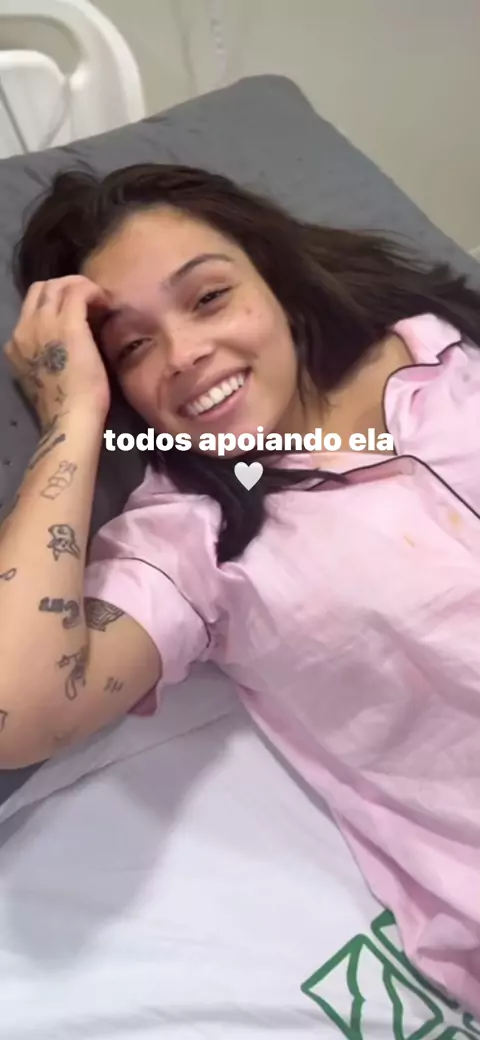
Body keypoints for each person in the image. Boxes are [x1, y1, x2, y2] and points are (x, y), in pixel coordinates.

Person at [1, 163, 480, 1013]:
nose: (185, 354)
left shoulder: (443, 341)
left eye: (210, 298)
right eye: (133, 348)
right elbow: (15, 707)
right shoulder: (192, 538)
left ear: (273, 275)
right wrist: (70, 416)